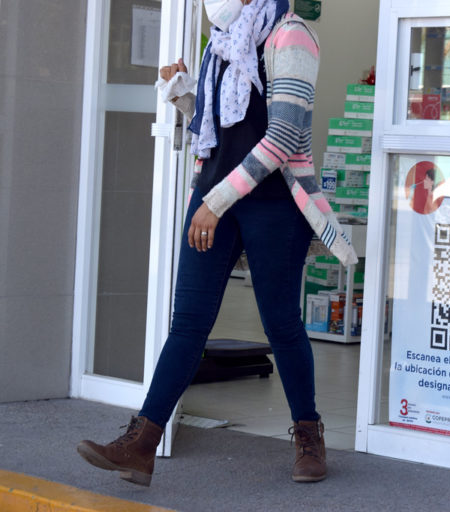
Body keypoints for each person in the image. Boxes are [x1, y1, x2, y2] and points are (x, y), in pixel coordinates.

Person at [76, 0, 356, 486]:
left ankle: (309, 435)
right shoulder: (222, 42)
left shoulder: (292, 35)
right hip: (215, 196)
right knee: (188, 323)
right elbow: (218, 131)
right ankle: (142, 445)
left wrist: (217, 201)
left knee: (282, 323)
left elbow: (284, 134)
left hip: (272, 202)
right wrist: (185, 96)